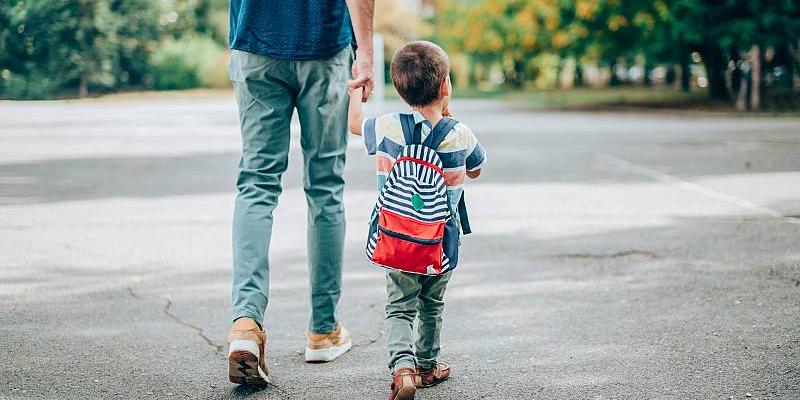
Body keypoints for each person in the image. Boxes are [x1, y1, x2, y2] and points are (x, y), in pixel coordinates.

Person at [225, 0, 375, 385]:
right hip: (324, 46)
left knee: (257, 183)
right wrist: (366, 54)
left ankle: (246, 323)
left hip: (255, 40)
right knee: (325, 188)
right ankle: (323, 331)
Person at [347, 41, 486, 400]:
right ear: (445, 87)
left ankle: (402, 368)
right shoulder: (461, 134)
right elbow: (475, 170)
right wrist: (448, 116)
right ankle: (427, 365)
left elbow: (353, 125)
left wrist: (355, 90)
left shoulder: (387, 127)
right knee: (432, 304)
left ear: (400, 90)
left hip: (396, 239)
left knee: (399, 305)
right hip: (440, 242)